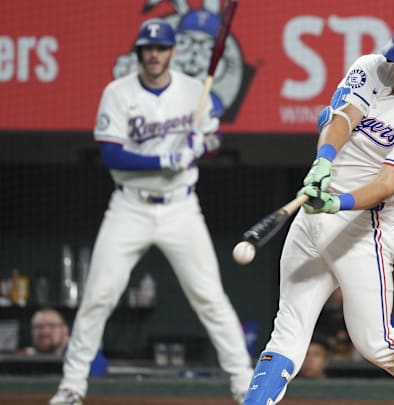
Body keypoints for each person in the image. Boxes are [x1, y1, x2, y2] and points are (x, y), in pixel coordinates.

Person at [243, 12, 394, 405]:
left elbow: (389, 182)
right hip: (312, 216)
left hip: (363, 227)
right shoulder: (373, 66)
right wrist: (324, 159)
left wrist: (339, 201)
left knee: (377, 343)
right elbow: (342, 117)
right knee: (287, 329)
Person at [49, 18, 253, 405]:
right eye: (148, 49)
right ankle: (72, 385)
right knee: (98, 296)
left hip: (181, 206)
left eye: (160, 48)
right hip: (130, 205)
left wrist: (203, 142)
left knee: (209, 296)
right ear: (139, 52)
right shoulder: (118, 92)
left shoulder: (193, 89)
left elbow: (214, 135)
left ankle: (245, 384)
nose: (154, 55)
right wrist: (166, 157)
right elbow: (110, 152)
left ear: (172, 52)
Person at [20, 308, 107, 377]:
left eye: (51, 326)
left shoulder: (83, 353)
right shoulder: (24, 358)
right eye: (38, 327)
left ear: (65, 330)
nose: (44, 332)